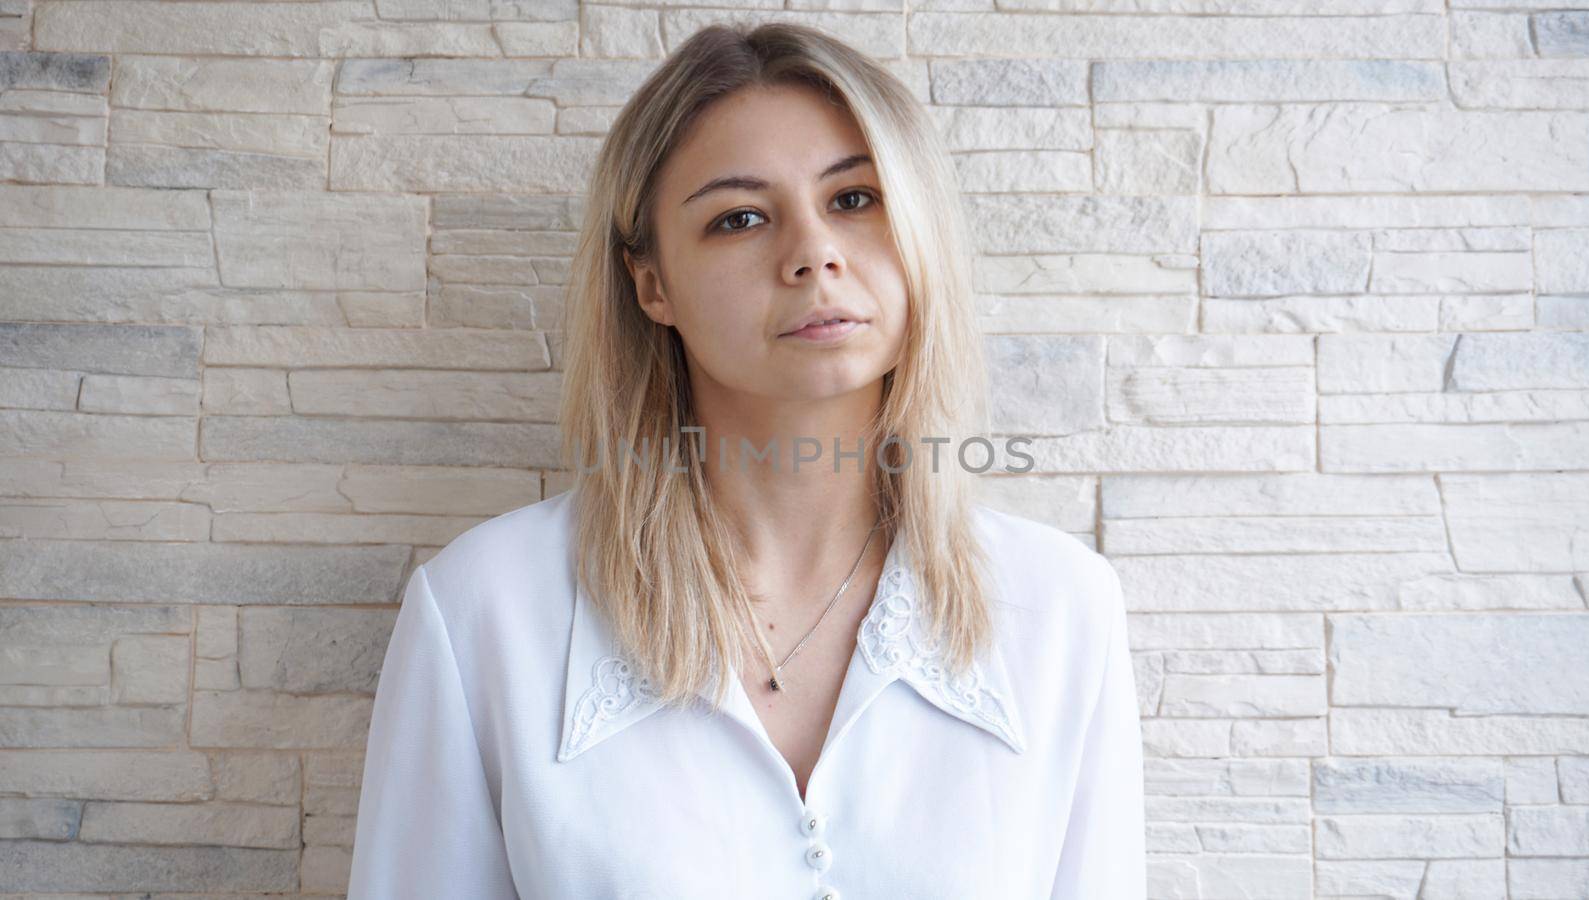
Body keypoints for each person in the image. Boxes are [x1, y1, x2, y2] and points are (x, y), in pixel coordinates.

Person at [347, 21, 1146, 900]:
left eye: (855, 199)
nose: (813, 254)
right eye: (739, 218)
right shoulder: (482, 614)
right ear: (652, 285)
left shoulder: (1062, 610)